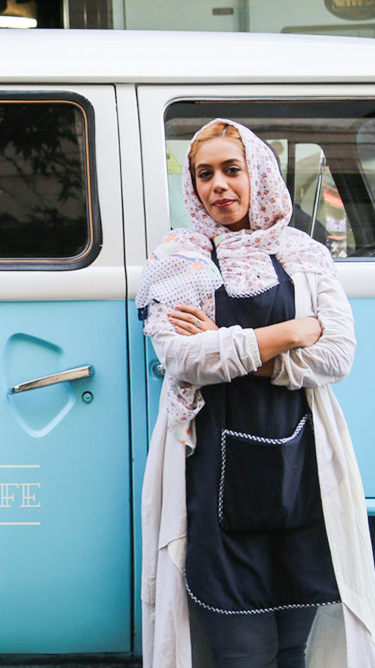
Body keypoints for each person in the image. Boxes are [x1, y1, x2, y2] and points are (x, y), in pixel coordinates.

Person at [137, 119, 375, 667]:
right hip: (213, 476)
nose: (218, 184)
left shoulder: (304, 255)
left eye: (231, 169)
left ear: (259, 174)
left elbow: (337, 355)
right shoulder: (180, 257)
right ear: (192, 187)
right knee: (237, 653)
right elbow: (180, 356)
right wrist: (289, 334)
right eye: (204, 174)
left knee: (297, 648)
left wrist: (232, 351)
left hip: (300, 474)